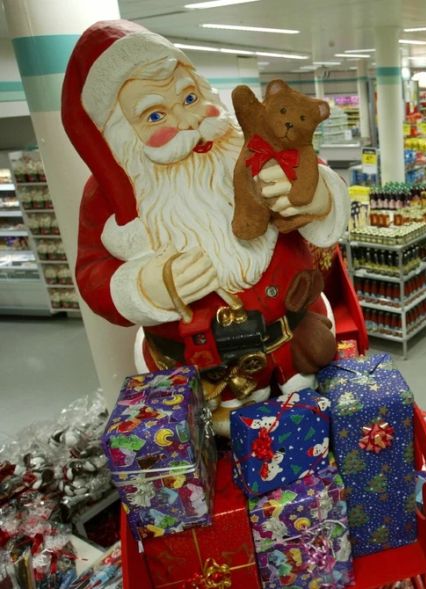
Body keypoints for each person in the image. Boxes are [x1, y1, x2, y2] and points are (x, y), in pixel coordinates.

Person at [60, 21, 363, 434]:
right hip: (198, 378)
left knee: (307, 452)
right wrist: (147, 285)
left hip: (296, 353)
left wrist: (317, 198)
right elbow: (92, 273)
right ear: (119, 134)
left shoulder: (246, 142)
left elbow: (317, 174)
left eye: (189, 97)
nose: (188, 121)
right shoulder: (109, 196)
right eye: (154, 114)